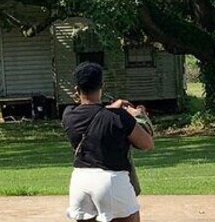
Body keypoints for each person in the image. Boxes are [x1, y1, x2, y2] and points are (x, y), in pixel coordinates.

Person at [62, 62, 154, 222]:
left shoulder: (68, 115)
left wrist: (113, 108)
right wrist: (134, 116)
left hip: (79, 181)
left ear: (77, 90)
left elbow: (92, 112)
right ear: (101, 86)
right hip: (111, 180)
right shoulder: (118, 117)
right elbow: (146, 144)